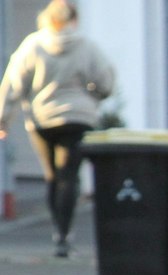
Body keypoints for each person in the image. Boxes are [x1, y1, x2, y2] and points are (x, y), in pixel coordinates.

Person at [0, 1, 115, 259]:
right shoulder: (87, 45)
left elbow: (13, 83)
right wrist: (93, 95)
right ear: (73, 18)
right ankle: (64, 235)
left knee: (52, 175)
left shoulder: (33, 45)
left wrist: (3, 119)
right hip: (78, 117)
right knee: (69, 176)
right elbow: (106, 81)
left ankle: (57, 230)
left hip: (43, 119)